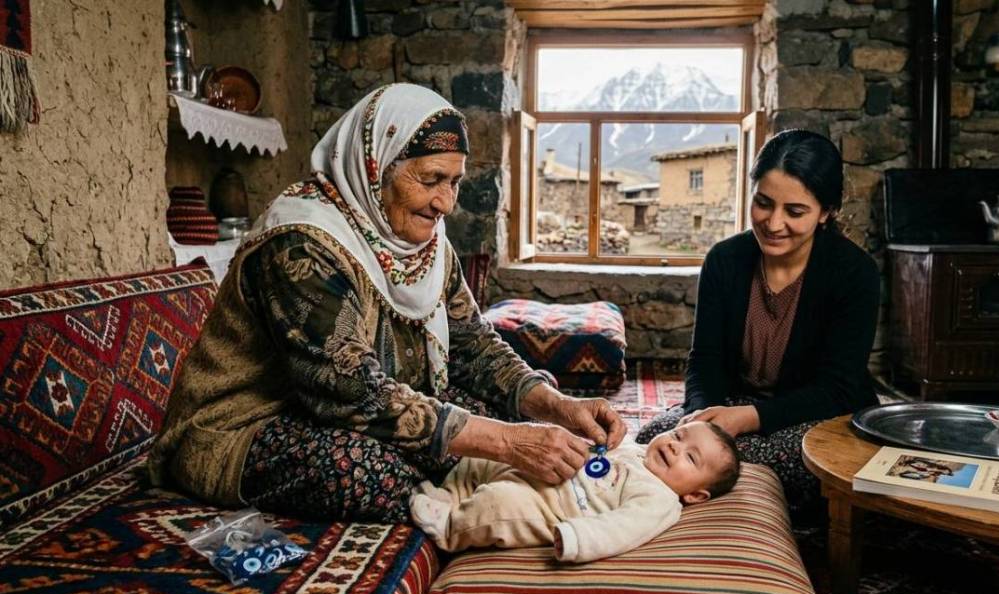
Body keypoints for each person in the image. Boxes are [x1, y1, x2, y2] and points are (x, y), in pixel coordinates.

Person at [147, 84, 626, 523]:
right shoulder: (300, 244)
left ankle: (482, 499)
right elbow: (352, 392)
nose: (445, 203)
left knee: (495, 416)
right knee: (366, 468)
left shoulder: (425, 244)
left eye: (454, 182)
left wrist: (556, 406)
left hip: (340, 408)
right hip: (243, 428)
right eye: (431, 178)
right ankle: (476, 517)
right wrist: (507, 443)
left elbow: (472, 345)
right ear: (376, 165)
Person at [637, 129, 880, 513]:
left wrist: (748, 419)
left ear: (827, 212)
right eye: (763, 203)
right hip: (735, 405)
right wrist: (706, 424)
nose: (773, 223)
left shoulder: (855, 274)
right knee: (651, 440)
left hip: (815, 415)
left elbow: (837, 389)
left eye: (795, 212)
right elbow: (705, 361)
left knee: (807, 462)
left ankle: (701, 492)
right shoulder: (725, 260)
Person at [410, 421, 741, 563]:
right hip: (550, 474)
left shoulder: (660, 501)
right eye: (678, 435)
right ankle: (450, 492)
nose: (674, 446)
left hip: (551, 508)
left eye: (690, 457)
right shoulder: (639, 450)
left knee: (499, 505)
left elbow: (621, 530)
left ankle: (451, 527)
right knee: (483, 461)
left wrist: (576, 538)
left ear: (696, 495)